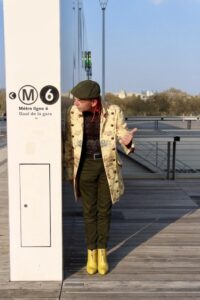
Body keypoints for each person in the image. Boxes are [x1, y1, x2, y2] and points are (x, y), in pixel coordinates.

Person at [65, 80, 137, 275]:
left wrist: (128, 142)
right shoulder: (72, 113)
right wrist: (70, 172)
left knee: (104, 211)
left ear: (94, 102)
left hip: (107, 167)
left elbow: (122, 132)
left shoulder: (113, 111)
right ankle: (91, 253)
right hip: (85, 167)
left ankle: (102, 253)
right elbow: (68, 143)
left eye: (80, 100)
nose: (75, 103)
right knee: (89, 211)